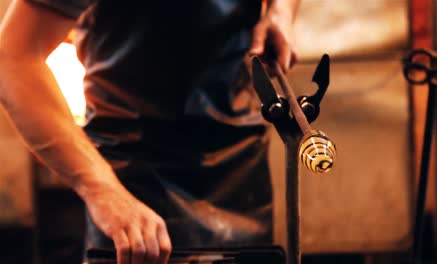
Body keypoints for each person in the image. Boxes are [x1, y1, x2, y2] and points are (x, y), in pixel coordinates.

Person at [0, 0, 299, 263]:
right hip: (136, 175)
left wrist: (281, 11)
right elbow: (13, 58)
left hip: (239, 165)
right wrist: (103, 190)